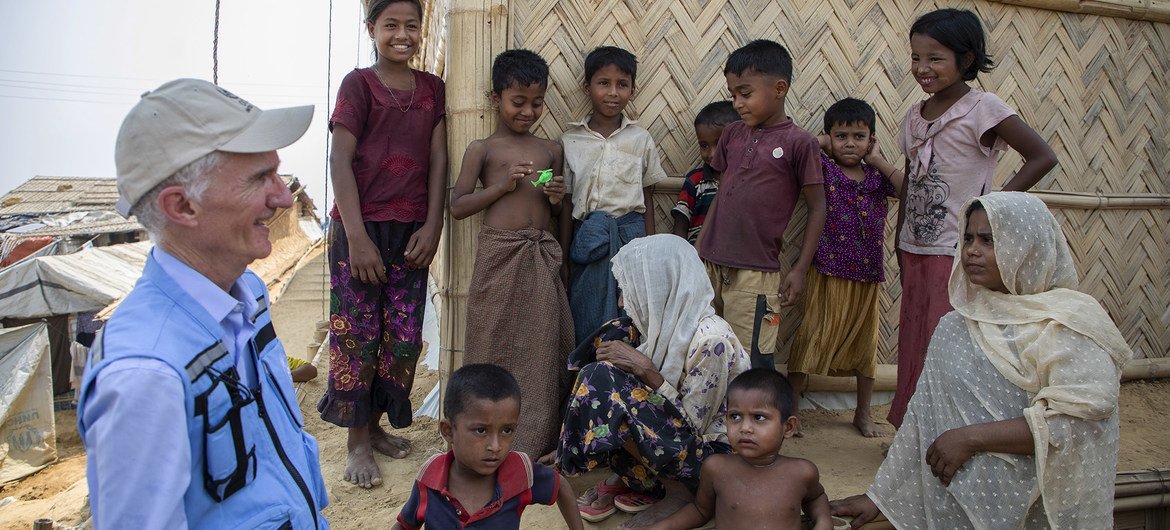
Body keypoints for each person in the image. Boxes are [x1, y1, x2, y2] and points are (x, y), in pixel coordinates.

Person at [77, 78, 329, 528]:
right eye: (259, 179)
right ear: (183, 207)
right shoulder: (144, 375)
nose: (283, 198)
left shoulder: (246, 294)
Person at [830, 192, 1132, 529]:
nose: (972, 250)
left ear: (1026, 246)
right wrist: (879, 496)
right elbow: (921, 419)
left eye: (989, 240)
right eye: (969, 238)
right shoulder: (956, 325)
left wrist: (971, 438)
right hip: (955, 509)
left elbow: (1077, 424)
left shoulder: (1069, 326)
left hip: (1039, 513)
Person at [887, 8, 1056, 428]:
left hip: (957, 252)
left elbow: (1042, 157)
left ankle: (951, 431)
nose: (922, 68)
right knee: (914, 342)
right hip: (916, 247)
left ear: (965, 59)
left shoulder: (983, 108)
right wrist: (899, 234)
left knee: (951, 343)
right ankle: (916, 433)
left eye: (935, 58)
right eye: (915, 58)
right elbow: (911, 177)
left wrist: (991, 214)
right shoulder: (914, 116)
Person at [318, 0, 448, 489]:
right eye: (390, 24)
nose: (402, 34)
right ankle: (356, 442)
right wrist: (356, 237)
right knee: (357, 335)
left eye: (411, 25)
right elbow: (339, 161)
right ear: (371, 29)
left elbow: (438, 161)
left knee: (403, 336)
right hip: (360, 229)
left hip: (411, 231)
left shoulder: (433, 89)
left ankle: (374, 427)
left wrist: (433, 225)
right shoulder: (358, 85)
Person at [557, 235, 750, 528]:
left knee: (603, 378)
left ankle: (680, 493)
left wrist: (646, 369)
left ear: (662, 287)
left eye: (628, 290)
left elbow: (694, 427)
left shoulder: (712, 341)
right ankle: (639, 477)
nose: (622, 301)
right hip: (671, 446)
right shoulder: (652, 329)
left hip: (712, 462)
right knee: (613, 336)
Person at [450, 49, 574, 458]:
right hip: (499, 256)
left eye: (536, 103)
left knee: (540, 346)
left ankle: (532, 439)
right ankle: (478, 435)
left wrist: (555, 199)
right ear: (495, 97)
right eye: (517, 102)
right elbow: (458, 205)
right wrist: (500, 189)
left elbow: (556, 208)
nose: (527, 111)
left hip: (540, 255)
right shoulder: (483, 149)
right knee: (490, 339)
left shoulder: (550, 150)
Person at [697, 39, 826, 371]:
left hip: (758, 273)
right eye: (733, 95)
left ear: (779, 88)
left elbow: (817, 208)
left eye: (745, 93)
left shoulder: (800, 143)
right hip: (712, 265)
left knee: (752, 358)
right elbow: (722, 194)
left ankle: (756, 422)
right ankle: (715, 420)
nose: (738, 103)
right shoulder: (732, 135)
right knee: (706, 347)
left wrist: (799, 270)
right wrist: (699, 248)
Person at [787, 98, 902, 438]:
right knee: (811, 339)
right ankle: (792, 411)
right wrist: (820, 141)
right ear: (828, 138)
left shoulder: (877, 177)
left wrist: (878, 158)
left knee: (866, 348)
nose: (850, 143)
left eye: (859, 136)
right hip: (827, 270)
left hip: (867, 274)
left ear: (872, 139)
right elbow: (799, 148)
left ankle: (863, 412)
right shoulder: (823, 168)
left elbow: (908, 189)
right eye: (841, 136)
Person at [562, 45, 668, 345]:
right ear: (587, 87)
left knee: (629, 316)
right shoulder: (570, 140)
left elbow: (647, 199)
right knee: (586, 316)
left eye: (622, 84)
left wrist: (648, 254)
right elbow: (569, 202)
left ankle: (624, 387)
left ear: (633, 90)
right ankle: (587, 386)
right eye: (603, 83)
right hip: (588, 239)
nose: (613, 92)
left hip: (629, 237)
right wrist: (565, 258)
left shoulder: (640, 139)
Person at [393, 364, 584, 530]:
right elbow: (405, 524)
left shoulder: (520, 472)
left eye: (507, 430)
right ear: (448, 430)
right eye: (481, 431)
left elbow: (561, 487)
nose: (496, 446)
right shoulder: (430, 479)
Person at [649, 369, 832, 530]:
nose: (744, 427)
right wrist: (661, 527)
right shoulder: (717, 468)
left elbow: (815, 499)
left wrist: (824, 521)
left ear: (788, 427)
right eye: (735, 416)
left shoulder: (801, 473)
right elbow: (700, 510)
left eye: (759, 417)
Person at [671, 101, 739, 245]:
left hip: (735, 256)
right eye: (704, 145)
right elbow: (681, 221)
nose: (712, 153)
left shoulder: (746, 180)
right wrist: (681, 253)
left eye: (719, 143)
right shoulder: (695, 180)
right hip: (698, 258)